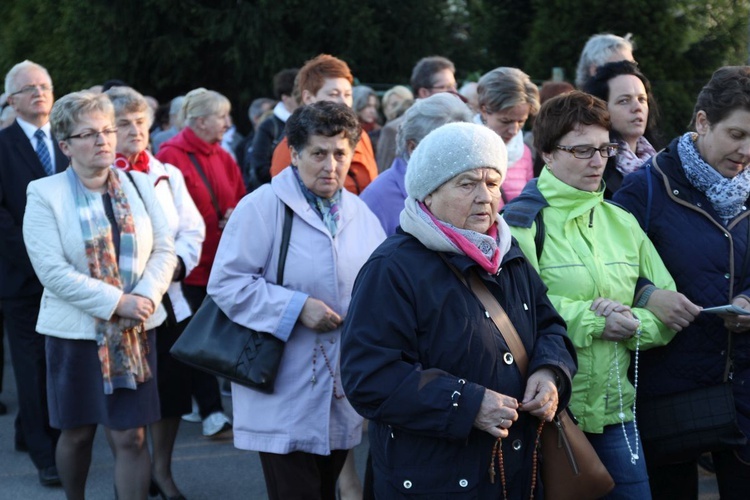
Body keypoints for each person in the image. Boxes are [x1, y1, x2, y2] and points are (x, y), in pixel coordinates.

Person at [341, 122, 577, 498]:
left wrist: (550, 373)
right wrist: (467, 404)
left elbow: (549, 326)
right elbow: (368, 377)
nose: (486, 197)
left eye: (493, 183)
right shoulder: (393, 267)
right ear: (428, 194)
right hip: (434, 482)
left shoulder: (507, 252)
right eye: (467, 184)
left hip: (515, 478)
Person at [503, 90, 688, 498]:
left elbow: (668, 310)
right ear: (548, 154)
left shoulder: (622, 221)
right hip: (550, 412)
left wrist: (631, 322)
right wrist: (595, 319)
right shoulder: (519, 223)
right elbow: (518, 312)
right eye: (582, 150)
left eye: (604, 149)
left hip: (618, 412)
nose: (597, 161)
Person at [207, 101, 385, 500]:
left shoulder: (361, 213)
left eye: (341, 154)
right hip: (281, 382)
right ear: (295, 153)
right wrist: (296, 308)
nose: (331, 165)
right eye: (319, 153)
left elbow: (377, 287)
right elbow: (226, 283)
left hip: (341, 385)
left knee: (324, 489)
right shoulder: (262, 207)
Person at [22, 91, 176, 499]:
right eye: (89, 133)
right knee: (77, 435)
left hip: (135, 332)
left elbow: (164, 248)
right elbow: (52, 271)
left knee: (132, 439)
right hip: (75, 338)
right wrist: (116, 302)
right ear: (65, 145)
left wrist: (144, 295)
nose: (104, 140)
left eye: (108, 130)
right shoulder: (44, 193)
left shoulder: (141, 185)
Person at [613, 66, 750, 500]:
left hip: (744, 388)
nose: (746, 151)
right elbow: (601, 269)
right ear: (702, 122)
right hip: (671, 393)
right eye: (737, 134)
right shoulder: (644, 189)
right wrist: (648, 295)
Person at [107, 86, 205, 500]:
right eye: (123, 124)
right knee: (130, 399)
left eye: (140, 122)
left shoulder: (166, 172)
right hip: (121, 304)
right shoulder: (99, 175)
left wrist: (178, 264)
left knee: (171, 392)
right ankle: (131, 472)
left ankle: (161, 472)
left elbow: (192, 228)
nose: (134, 130)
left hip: (169, 297)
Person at [156, 88, 244, 437]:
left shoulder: (223, 155)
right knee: (198, 338)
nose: (227, 123)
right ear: (200, 120)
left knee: (213, 336)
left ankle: (206, 407)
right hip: (191, 266)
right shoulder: (170, 155)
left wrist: (235, 214)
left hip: (222, 261)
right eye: (222, 116)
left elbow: (241, 196)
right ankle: (211, 411)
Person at [0, 60, 68, 487]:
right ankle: (46, 454)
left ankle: (28, 430)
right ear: (11, 99)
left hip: (69, 277)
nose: (39, 93)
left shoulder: (67, 142)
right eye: (28, 88)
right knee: (31, 363)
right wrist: (39, 261)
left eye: (44, 85)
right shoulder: (2, 144)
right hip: (21, 278)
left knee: (55, 359)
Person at [360, 92, 472, 236]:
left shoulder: (468, 190)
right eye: (445, 149)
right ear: (413, 148)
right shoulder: (377, 199)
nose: (456, 158)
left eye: (461, 148)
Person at [270, 54, 378, 195]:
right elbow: (285, 201)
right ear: (308, 98)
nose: (343, 102)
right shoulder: (289, 148)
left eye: (347, 94)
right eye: (333, 94)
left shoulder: (361, 137)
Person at [583, 60, 661, 197]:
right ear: (602, 109)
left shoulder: (661, 162)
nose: (637, 108)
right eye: (624, 101)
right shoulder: (593, 168)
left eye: (642, 99)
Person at [376, 56, 456, 171]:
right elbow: (385, 178)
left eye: (454, 85)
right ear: (424, 92)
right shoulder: (394, 130)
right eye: (445, 87)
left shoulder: (456, 125)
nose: (454, 92)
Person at [477, 67, 539, 209]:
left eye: (521, 121)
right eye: (506, 121)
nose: (514, 130)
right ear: (484, 110)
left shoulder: (524, 152)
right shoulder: (463, 147)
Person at [247, 68, 299, 192]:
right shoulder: (269, 126)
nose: (303, 98)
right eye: (297, 94)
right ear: (285, 97)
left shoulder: (311, 123)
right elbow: (260, 167)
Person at [352, 85, 381, 151]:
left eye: (374, 106)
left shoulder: (379, 131)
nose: (372, 111)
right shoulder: (347, 130)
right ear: (357, 105)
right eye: (368, 106)